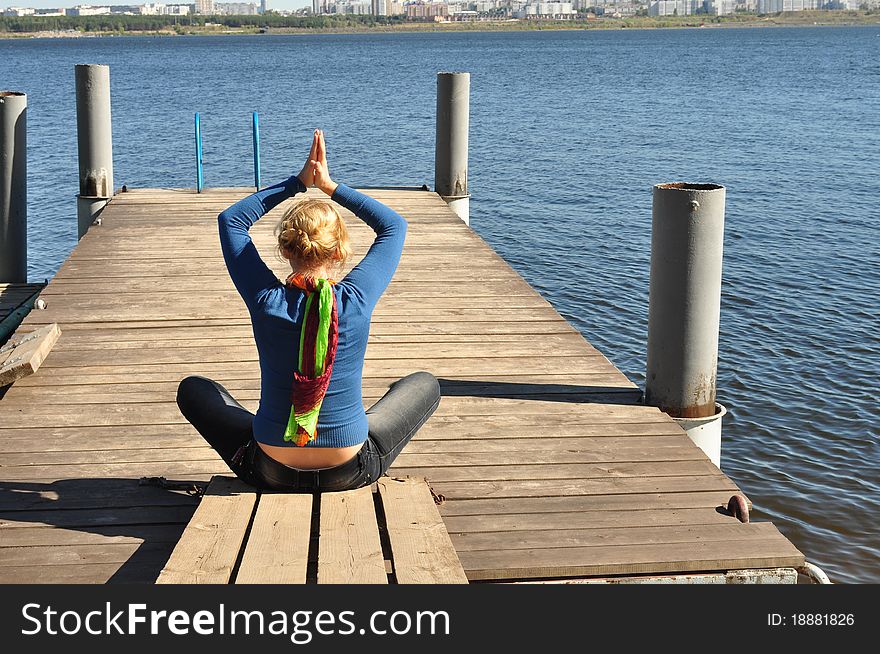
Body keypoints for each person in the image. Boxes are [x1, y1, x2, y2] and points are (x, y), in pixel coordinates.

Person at [176, 129, 441, 492]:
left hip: (269, 467)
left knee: (195, 389)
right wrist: (330, 186)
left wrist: (296, 184)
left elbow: (232, 221)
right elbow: (393, 226)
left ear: (286, 250)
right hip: (349, 468)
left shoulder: (266, 300)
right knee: (423, 384)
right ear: (339, 252)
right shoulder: (355, 299)